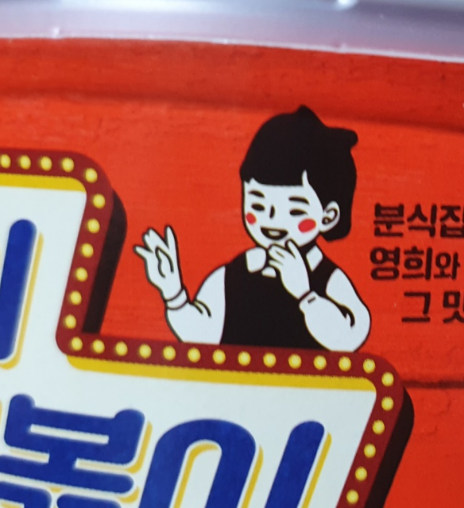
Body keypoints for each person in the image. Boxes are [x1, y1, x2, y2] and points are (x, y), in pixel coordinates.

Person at [135, 106, 370, 352]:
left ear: (328, 216)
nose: (271, 219)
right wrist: (173, 292)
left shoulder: (327, 278)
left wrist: (305, 294)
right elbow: (201, 335)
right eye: (258, 205)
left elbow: (351, 338)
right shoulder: (233, 273)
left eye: (294, 210)